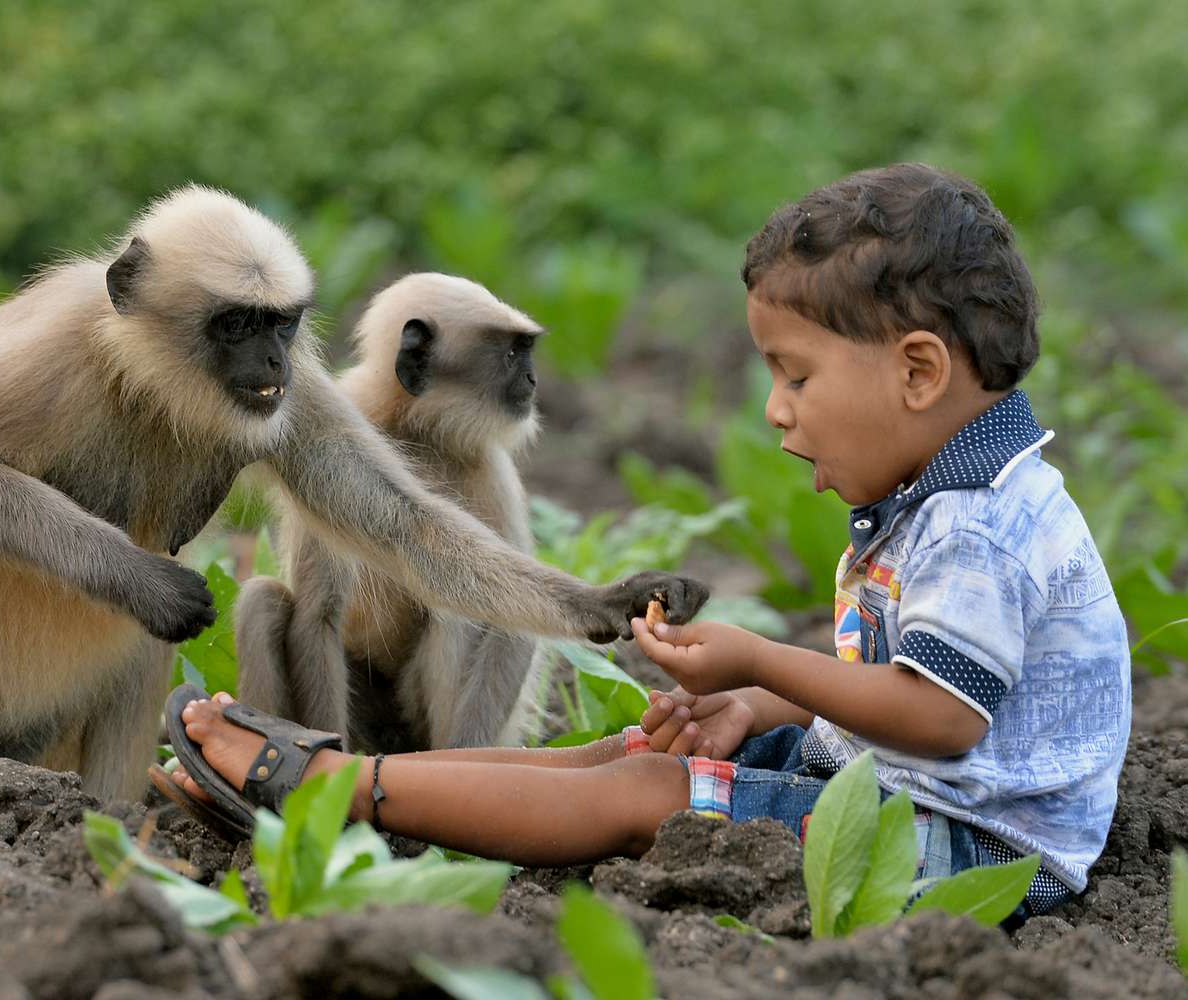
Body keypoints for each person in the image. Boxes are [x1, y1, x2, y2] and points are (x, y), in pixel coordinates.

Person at [156, 163, 1130, 918]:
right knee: (622, 749)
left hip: (963, 851)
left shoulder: (985, 526)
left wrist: (763, 663)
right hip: (894, 791)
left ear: (918, 372)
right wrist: (751, 704)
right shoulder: (945, 495)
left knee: (644, 791)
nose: (776, 411)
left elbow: (940, 718)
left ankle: (334, 789)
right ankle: (335, 774)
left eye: (796, 377)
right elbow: (918, 700)